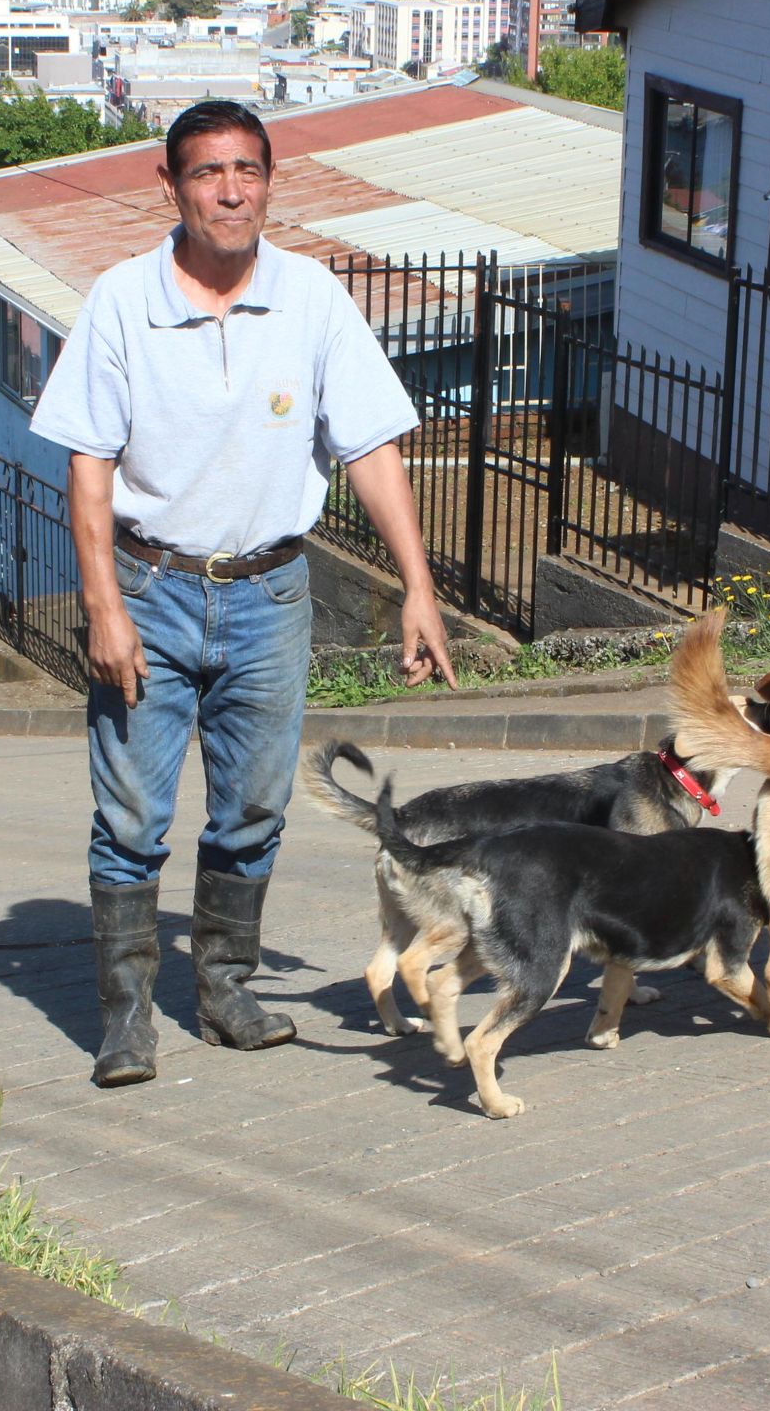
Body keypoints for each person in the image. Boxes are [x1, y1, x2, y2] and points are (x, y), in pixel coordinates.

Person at [30, 100, 455, 1088]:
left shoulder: (309, 300)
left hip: (269, 596)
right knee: (131, 817)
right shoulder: (121, 302)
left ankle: (223, 987)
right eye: (208, 173)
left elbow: (371, 450)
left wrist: (417, 586)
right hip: (150, 589)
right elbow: (87, 472)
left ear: (269, 182)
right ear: (170, 187)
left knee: (252, 811)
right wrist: (103, 608)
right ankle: (126, 1014)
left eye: (248, 172)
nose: (230, 190)